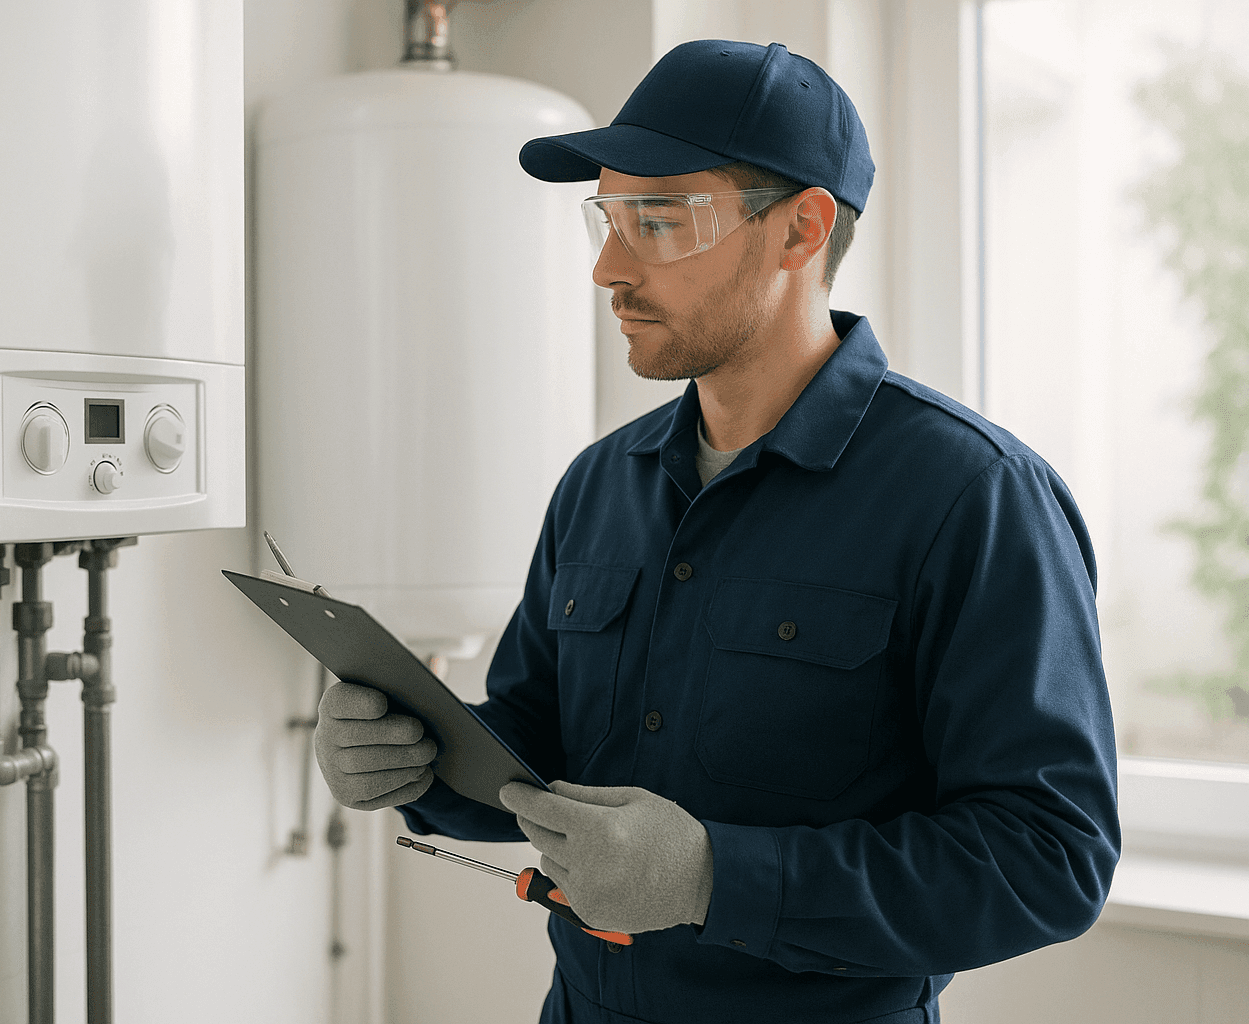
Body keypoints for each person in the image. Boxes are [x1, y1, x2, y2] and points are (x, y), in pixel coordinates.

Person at [313, 40, 1120, 1024]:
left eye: (657, 221)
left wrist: (713, 874)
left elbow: (1050, 858)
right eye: (607, 219)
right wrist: (417, 761)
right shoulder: (598, 484)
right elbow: (536, 748)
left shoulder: (974, 496)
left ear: (799, 230)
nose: (609, 267)